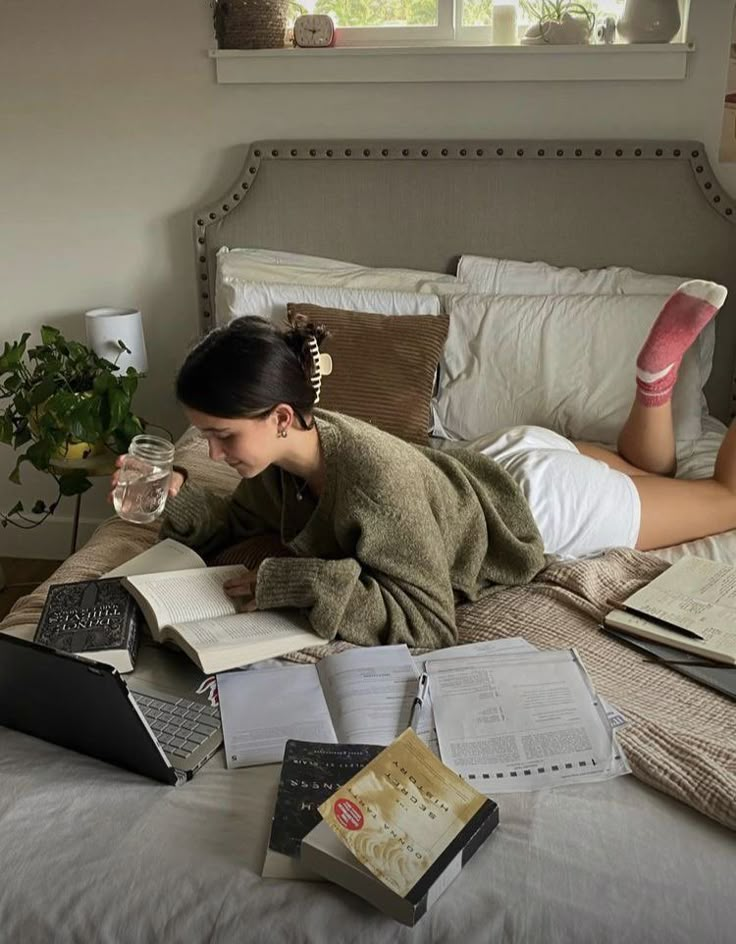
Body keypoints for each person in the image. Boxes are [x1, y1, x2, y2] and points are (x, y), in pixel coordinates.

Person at [110, 279, 735, 650]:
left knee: (725, 497)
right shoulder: (285, 462)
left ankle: (658, 381)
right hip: (491, 462)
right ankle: (653, 382)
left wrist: (300, 582)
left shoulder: (373, 482)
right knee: (642, 470)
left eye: (221, 437)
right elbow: (231, 521)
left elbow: (432, 623)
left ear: (278, 416)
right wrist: (173, 493)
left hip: (542, 501)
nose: (214, 455)